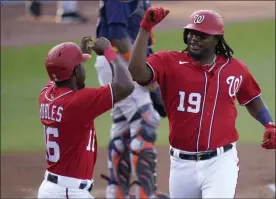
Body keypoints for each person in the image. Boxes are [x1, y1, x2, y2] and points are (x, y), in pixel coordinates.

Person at [128, 7, 276, 198]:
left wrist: (269, 123)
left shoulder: (235, 69)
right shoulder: (168, 62)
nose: (194, 38)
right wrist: (145, 28)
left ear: (217, 39)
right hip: (181, 165)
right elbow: (136, 71)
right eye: (191, 32)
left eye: (202, 35)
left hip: (220, 162)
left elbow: (252, 98)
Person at [37, 36, 134, 198]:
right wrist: (109, 52)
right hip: (68, 193)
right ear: (75, 71)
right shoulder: (78, 102)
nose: (83, 69)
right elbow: (125, 85)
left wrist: (76, 58)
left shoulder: (46, 95)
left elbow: (60, 75)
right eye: (80, 66)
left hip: (51, 188)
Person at [92, 0, 168, 199]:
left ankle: (117, 192)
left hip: (120, 63)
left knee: (123, 127)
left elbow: (138, 36)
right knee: (145, 123)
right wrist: (140, 69)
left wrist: (151, 72)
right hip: (119, 63)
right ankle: (146, 194)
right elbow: (117, 35)